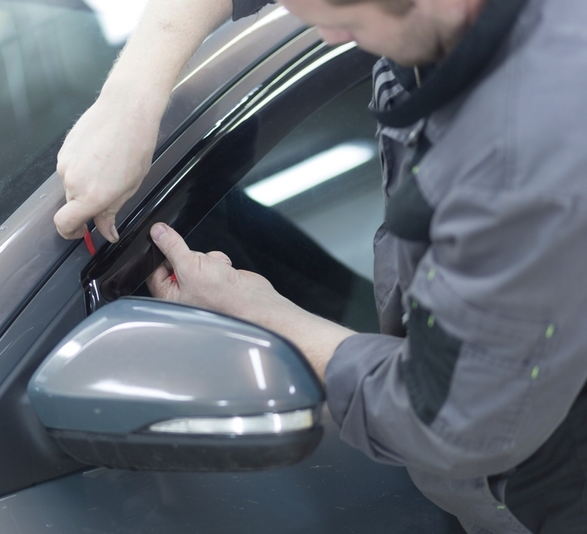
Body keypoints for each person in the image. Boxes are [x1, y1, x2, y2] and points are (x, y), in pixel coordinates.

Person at [54, 1, 587, 532]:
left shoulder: (531, 153)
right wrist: (130, 101)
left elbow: (452, 417)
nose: (329, 38)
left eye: (344, 17)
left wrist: (258, 312)